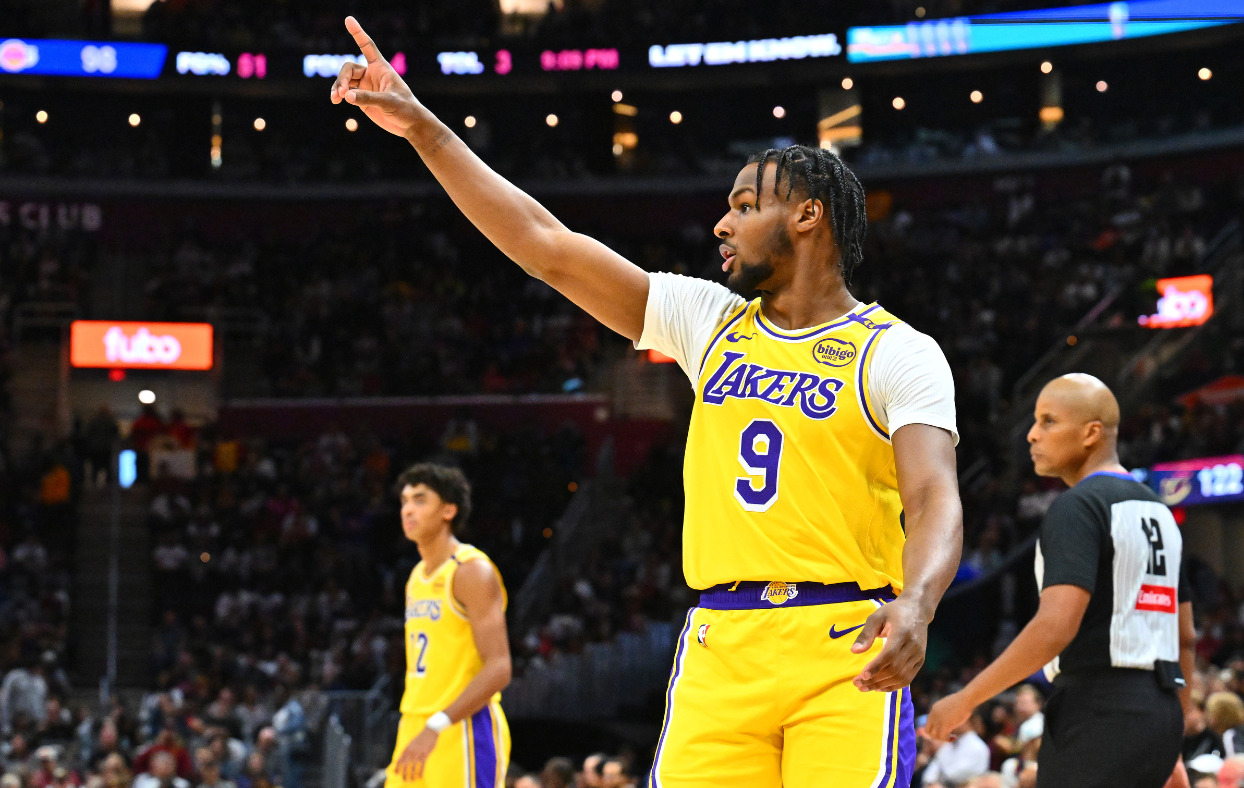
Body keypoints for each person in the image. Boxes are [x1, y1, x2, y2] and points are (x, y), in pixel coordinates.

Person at [331, 18, 963, 788]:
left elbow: (933, 496)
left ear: (807, 215)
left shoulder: (897, 350)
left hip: (845, 639)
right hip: (719, 642)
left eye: (742, 205)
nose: (720, 223)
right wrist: (424, 130)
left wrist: (921, 602)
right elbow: (546, 245)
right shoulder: (710, 320)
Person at [924, 374, 1186, 788]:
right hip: (1160, 710)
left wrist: (966, 699)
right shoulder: (1160, 512)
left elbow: (1055, 627)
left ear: (1091, 433)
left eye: (1048, 422)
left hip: (1099, 711)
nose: (1031, 435)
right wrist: (1174, 744)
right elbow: (1184, 638)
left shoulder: (1077, 506)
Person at [386, 464, 511, 788]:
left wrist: (437, 725)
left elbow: (499, 667)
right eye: (404, 501)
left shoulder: (472, 571)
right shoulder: (416, 577)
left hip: (462, 726)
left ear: (448, 510)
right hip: (415, 723)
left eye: (420, 499)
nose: (408, 509)